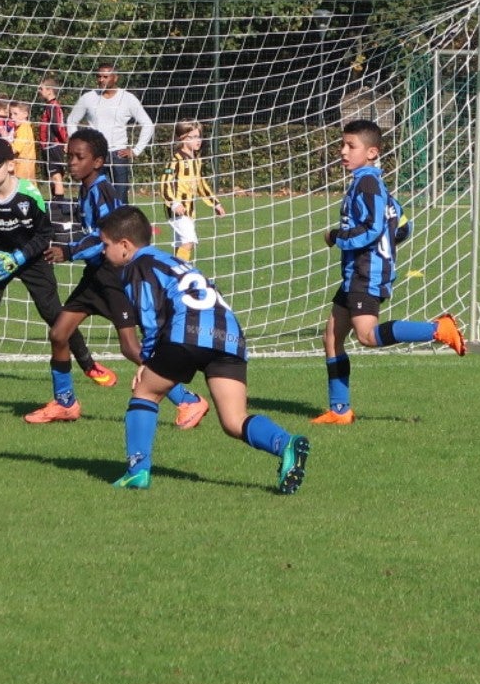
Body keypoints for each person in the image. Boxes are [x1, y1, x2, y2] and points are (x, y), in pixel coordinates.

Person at [102, 206, 309, 494]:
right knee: (234, 420)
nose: (103, 251)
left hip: (188, 331)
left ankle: (136, 472)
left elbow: (150, 318)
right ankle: (285, 443)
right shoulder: (174, 261)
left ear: (125, 245)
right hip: (230, 334)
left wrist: (147, 359)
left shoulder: (138, 267)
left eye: (105, 244)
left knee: (145, 392)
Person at [28, 127, 205, 426]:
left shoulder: (102, 191)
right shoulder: (87, 188)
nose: (71, 162)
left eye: (79, 157)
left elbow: (105, 238)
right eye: (69, 156)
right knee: (59, 334)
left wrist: (68, 251)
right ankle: (65, 403)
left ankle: (188, 400)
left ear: (97, 162)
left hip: (114, 278)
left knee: (131, 348)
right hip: (95, 276)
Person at [312, 120, 466, 426]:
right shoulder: (368, 183)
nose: (343, 151)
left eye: (351, 146)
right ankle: (340, 410)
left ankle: (438, 330)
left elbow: (371, 229)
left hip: (366, 273)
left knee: (367, 336)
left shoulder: (368, 184)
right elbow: (404, 225)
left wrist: (337, 237)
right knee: (331, 337)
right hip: (356, 271)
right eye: (342, 144)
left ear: (371, 152)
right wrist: (386, 243)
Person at [0, 135, 98, 393]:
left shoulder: (29, 194)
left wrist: (19, 258)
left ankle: (89, 365)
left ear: (10, 166)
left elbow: (45, 233)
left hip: (33, 257)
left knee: (53, 313)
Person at [67, 63, 155, 202]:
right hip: (95, 154)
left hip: (118, 154)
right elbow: (71, 120)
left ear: (115, 78)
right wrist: (77, 146)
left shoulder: (128, 98)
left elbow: (148, 124)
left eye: (105, 77)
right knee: (93, 195)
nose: (101, 80)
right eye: (99, 76)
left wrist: (136, 150)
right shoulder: (88, 98)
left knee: (120, 198)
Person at [159, 120, 224, 262]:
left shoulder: (196, 159)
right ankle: (180, 271)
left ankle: (174, 270)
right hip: (177, 209)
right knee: (189, 241)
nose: (198, 140)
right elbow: (165, 183)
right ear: (182, 138)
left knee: (181, 245)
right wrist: (174, 203)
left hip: (189, 210)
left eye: (199, 136)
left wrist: (215, 203)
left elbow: (201, 184)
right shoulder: (175, 160)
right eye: (193, 137)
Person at [36, 75, 69, 199]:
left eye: (41, 89)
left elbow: (58, 126)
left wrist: (65, 141)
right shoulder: (49, 106)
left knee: (56, 175)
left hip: (53, 146)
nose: (39, 91)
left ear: (50, 90)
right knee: (51, 175)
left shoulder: (53, 106)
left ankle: (59, 203)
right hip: (48, 146)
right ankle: (55, 200)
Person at [8, 100, 37, 185]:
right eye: (11, 114)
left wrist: (6, 139)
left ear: (25, 114)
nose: (12, 117)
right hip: (24, 165)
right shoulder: (23, 127)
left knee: (22, 188)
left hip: (23, 168)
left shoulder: (23, 128)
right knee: (30, 187)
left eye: (15, 114)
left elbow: (14, 149)